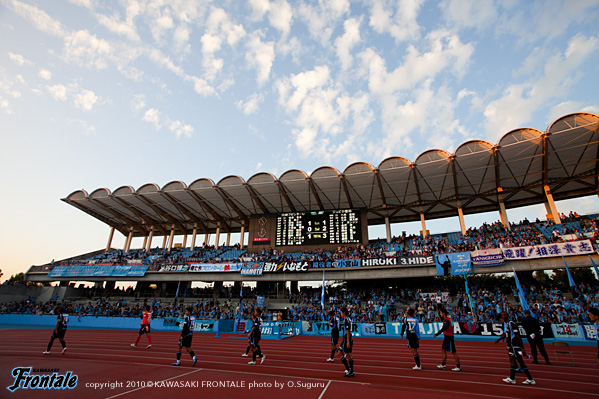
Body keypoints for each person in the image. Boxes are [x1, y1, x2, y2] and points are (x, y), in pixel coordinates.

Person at [494, 312, 535, 385]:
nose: (504, 316)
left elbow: (518, 335)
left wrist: (522, 348)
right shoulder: (505, 324)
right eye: (503, 315)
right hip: (510, 345)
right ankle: (513, 378)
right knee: (512, 360)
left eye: (505, 314)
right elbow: (505, 334)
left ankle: (530, 379)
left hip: (515, 345)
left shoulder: (511, 324)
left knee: (519, 361)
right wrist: (499, 339)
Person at [434, 307, 461, 371]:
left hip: (449, 337)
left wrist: (437, 334)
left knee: (453, 352)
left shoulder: (446, 320)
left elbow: (444, 328)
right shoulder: (445, 320)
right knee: (443, 350)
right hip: (446, 337)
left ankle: (458, 366)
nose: (440, 314)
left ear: (443, 313)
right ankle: (443, 364)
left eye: (440, 313)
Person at [339, 307, 354, 377]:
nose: (340, 314)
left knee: (348, 355)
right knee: (346, 354)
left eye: (341, 312)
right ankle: (350, 370)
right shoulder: (349, 319)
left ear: (344, 313)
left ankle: (349, 370)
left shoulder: (346, 320)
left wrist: (347, 341)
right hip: (347, 339)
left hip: (347, 338)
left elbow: (347, 330)